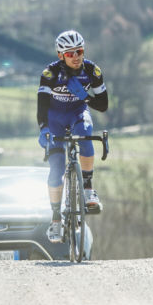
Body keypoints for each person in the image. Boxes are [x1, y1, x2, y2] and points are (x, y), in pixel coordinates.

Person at [37, 30, 109, 243]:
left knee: (85, 135)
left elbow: (103, 105)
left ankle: (88, 189)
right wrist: (43, 128)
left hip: (77, 113)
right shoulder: (50, 73)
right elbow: (41, 106)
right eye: (70, 53)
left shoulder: (92, 70)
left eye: (79, 51)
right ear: (61, 55)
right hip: (55, 119)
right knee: (56, 169)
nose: (76, 57)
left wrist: (85, 96)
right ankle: (56, 219)